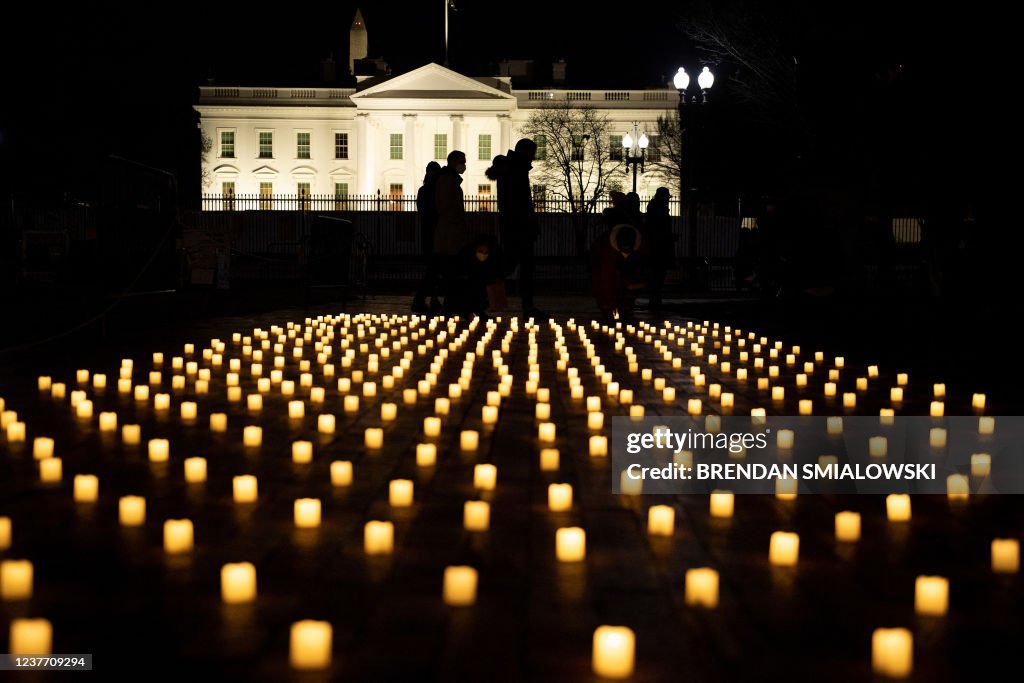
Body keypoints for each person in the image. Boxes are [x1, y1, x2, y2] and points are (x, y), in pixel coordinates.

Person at [486, 138, 545, 317]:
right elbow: (519, 203)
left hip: (515, 227)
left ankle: (527, 306)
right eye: (532, 153)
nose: (534, 158)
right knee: (514, 268)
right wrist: (528, 222)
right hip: (519, 228)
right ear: (525, 152)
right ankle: (479, 296)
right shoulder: (515, 169)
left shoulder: (512, 168)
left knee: (518, 268)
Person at [590, 223, 648, 320]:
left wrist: (629, 300)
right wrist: (609, 303)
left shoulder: (642, 248)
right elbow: (606, 279)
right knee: (604, 289)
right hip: (601, 268)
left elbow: (640, 273)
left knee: (629, 287)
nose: (626, 253)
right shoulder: (605, 249)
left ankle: (625, 307)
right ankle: (608, 309)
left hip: (624, 273)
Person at [411, 161, 442, 313]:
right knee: (433, 271)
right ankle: (420, 299)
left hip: (431, 234)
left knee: (434, 271)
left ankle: (431, 299)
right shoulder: (430, 190)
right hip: (433, 234)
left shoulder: (425, 190)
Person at [643, 187, 673, 309]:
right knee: (657, 275)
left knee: (657, 275)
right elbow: (658, 230)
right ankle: (655, 300)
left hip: (657, 247)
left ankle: (655, 299)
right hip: (658, 248)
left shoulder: (655, 209)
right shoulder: (659, 210)